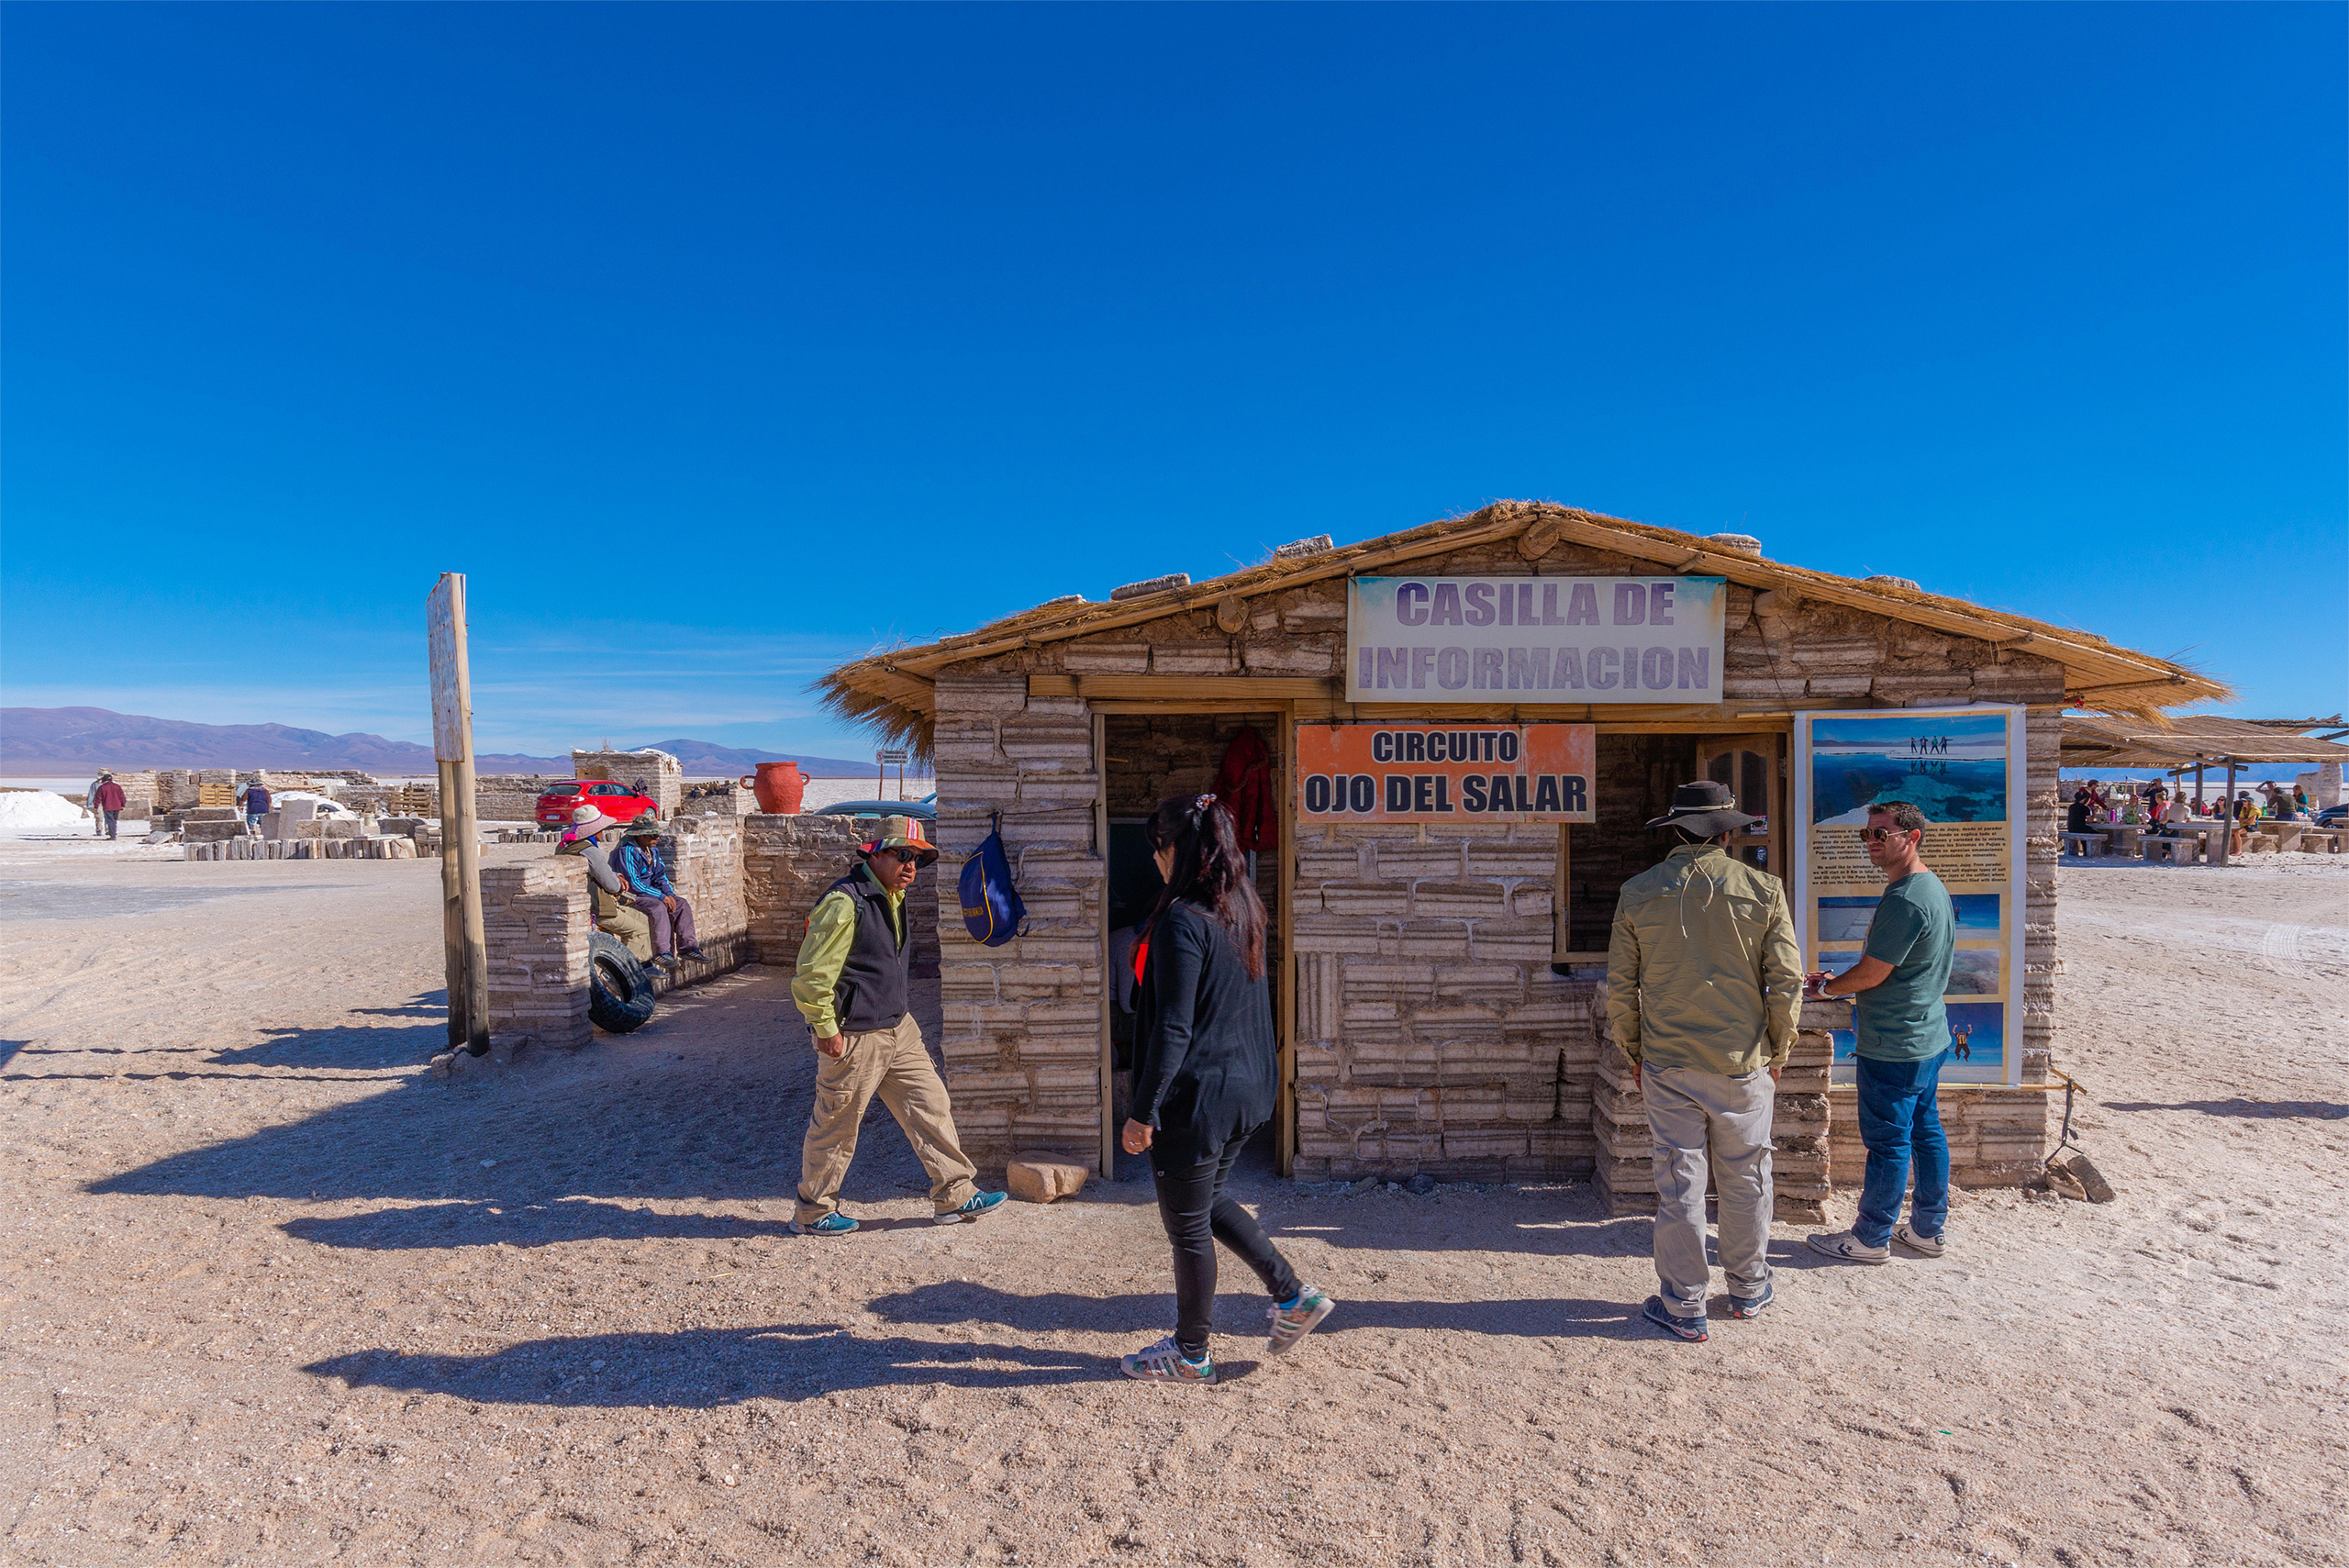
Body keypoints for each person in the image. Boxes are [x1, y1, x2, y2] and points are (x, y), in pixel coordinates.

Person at [1119, 794, 1333, 1383]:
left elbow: (1173, 1026)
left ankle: (1191, 1355)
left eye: (1158, 851)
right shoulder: (1242, 911)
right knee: (1207, 1201)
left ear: (1173, 850)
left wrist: (1143, 1112)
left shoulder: (1181, 922)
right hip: (1247, 1089)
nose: (1157, 863)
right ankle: (1292, 1296)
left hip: (1199, 1099)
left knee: (1186, 1226)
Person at [1607, 779, 1801, 1341]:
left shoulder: (1639, 891)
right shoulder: (1763, 889)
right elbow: (1785, 981)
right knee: (1746, 1176)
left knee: (1680, 1181)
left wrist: (1635, 1051)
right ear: (1728, 831)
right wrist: (1779, 1050)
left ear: (1675, 828)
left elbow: (1623, 987)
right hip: (1743, 1061)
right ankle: (1747, 1287)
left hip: (1668, 1061)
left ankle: (1685, 1303)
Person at [789, 815, 1006, 1236]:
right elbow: (812, 974)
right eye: (902, 855)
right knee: (837, 1124)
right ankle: (813, 1212)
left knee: (931, 1105)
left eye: (918, 860)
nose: (910, 866)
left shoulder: (891, 896)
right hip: (855, 1036)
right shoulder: (844, 902)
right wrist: (825, 1028)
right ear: (875, 854)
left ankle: (955, 1195)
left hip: (898, 1029)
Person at [1805, 801, 1956, 1264]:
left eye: (1881, 833)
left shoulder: (1906, 898)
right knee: (1925, 1132)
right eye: (1866, 834)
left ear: (1910, 837)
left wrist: (1829, 989)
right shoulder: (1929, 888)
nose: (1871, 842)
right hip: (1927, 1036)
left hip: (1895, 1042)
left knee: (1889, 1141)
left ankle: (1872, 1238)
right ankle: (1928, 1229)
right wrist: (1835, 986)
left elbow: (1873, 972)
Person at [559, 805, 653, 962]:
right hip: (599, 908)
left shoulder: (566, 847)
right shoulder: (591, 851)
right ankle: (628, 971)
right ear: (595, 831)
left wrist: (615, 875)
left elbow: (599, 872)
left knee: (641, 917)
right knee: (640, 931)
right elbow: (612, 886)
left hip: (591, 904)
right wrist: (617, 880)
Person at [614, 819, 708, 968]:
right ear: (641, 836)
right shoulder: (626, 851)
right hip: (630, 895)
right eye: (652, 835)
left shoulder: (653, 851)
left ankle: (688, 947)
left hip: (648, 893)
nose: (657, 838)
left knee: (681, 904)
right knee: (657, 907)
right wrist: (661, 897)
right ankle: (662, 952)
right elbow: (634, 884)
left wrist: (669, 895)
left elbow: (660, 877)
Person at [88, 772, 126, 840]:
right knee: (114, 820)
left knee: (110, 821)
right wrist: (123, 805)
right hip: (117, 806)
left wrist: (95, 807)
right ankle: (113, 833)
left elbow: (98, 799)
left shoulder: (102, 787)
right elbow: (122, 797)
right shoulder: (117, 786)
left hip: (108, 807)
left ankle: (112, 835)